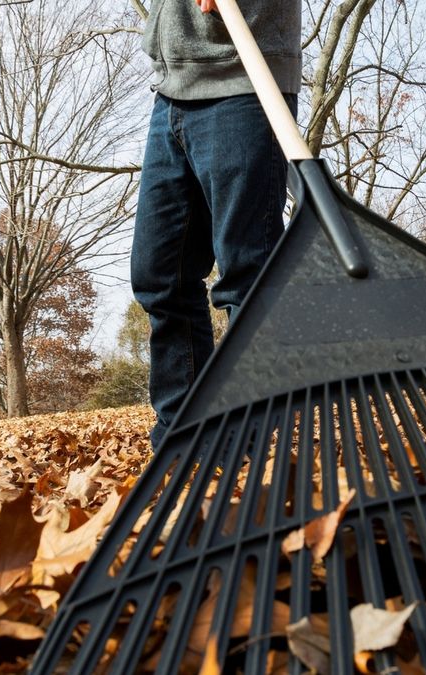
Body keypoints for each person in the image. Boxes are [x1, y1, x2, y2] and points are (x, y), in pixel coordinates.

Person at [131, 0, 301, 447]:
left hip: (244, 79)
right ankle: (183, 439)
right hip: (171, 89)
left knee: (247, 274)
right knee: (160, 277)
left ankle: (255, 441)